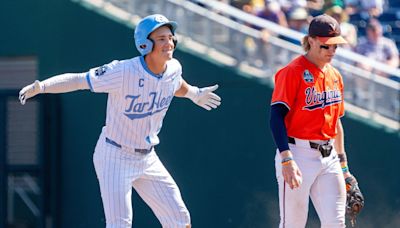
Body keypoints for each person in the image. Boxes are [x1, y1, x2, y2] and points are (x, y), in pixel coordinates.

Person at [18, 14, 221, 228]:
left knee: (180, 219)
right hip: (115, 155)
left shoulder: (173, 68)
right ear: (145, 43)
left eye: (171, 38)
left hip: (147, 157)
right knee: (120, 225)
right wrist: (42, 87)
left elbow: (175, 83)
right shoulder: (123, 71)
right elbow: (79, 80)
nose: (169, 43)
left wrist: (194, 93)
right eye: (161, 38)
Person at [269, 14, 359, 227]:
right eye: (326, 46)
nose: (332, 51)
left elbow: (336, 123)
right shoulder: (292, 72)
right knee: (293, 224)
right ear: (311, 40)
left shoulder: (335, 75)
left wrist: (344, 166)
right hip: (298, 154)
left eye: (335, 46)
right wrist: (286, 158)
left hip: (329, 159)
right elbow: (275, 117)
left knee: (336, 223)